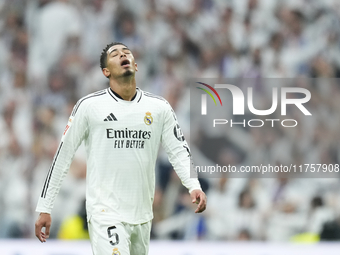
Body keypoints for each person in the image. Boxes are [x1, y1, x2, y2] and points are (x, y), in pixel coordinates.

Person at [35, 42, 207, 255]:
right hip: (105, 212)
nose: (123, 55)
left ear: (136, 65)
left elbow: (178, 150)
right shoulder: (89, 106)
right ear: (106, 71)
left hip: (142, 215)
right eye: (115, 54)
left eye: (127, 53)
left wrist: (193, 184)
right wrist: (45, 206)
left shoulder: (159, 108)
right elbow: (63, 155)